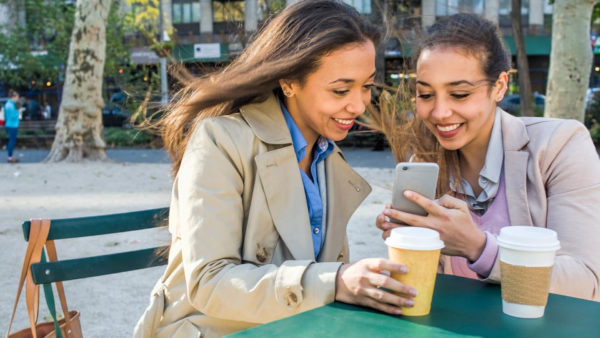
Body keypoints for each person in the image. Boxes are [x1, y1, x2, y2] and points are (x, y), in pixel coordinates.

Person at [134, 1, 417, 337]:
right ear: (289, 82)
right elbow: (209, 282)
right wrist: (337, 280)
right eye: (340, 90)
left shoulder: (328, 156)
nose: (358, 105)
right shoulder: (219, 141)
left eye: (367, 86)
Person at [375, 13, 600, 301]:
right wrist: (408, 243)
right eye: (425, 94)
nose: (439, 112)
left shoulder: (559, 146)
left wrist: (478, 248)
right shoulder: (424, 163)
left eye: (459, 94)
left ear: (500, 86)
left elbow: (586, 283)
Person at [4, 90, 23, 163]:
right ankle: (10, 157)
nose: (18, 99)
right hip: (12, 125)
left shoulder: (8, 104)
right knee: (12, 141)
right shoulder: (10, 105)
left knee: (11, 141)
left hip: (9, 124)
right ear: (14, 97)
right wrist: (19, 111)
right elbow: (13, 116)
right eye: (17, 97)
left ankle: (10, 156)